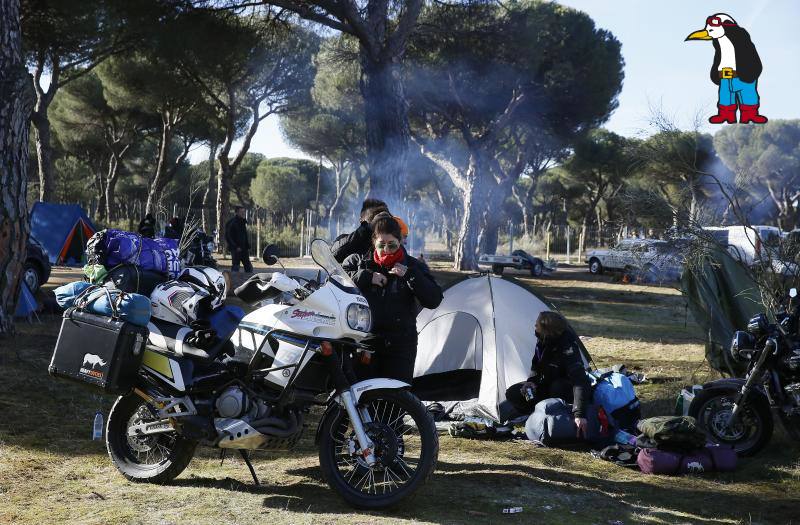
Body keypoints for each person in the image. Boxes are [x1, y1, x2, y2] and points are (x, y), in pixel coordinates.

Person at [342, 212, 443, 383]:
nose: (386, 251)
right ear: (373, 242)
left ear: (401, 242)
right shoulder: (358, 261)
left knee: (396, 401)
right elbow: (337, 279)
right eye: (381, 245)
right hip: (365, 342)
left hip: (401, 345)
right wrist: (366, 277)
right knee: (361, 398)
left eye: (392, 245)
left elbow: (434, 299)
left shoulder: (412, 266)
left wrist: (410, 276)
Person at [500, 311, 592, 438]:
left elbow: (580, 381)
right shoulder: (543, 339)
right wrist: (531, 381)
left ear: (547, 329)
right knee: (514, 392)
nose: (534, 326)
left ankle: (556, 416)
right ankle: (532, 414)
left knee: (557, 386)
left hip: (565, 391)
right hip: (546, 385)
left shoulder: (567, 347)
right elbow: (536, 365)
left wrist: (580, 414)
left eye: (537, 324)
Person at [332, 198, 389, 263]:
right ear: (361, 220)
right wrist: (366, 229)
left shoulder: (392, 243)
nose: (379, 225)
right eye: (372, 219)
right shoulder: (346, 240)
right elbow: (333, 256)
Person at [225, 206, 252, 272]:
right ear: (236, 212)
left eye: (243, 212)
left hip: (244, 248)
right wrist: (236, 246)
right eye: (241, 212)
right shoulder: (232, 223)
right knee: (236, 266)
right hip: (236, 249)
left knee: (248, 266)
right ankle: (234, 281)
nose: (243, 213)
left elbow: (244, 236)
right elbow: (228, 236)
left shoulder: (243, 222)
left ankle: (250, 280)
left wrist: (247, 245)